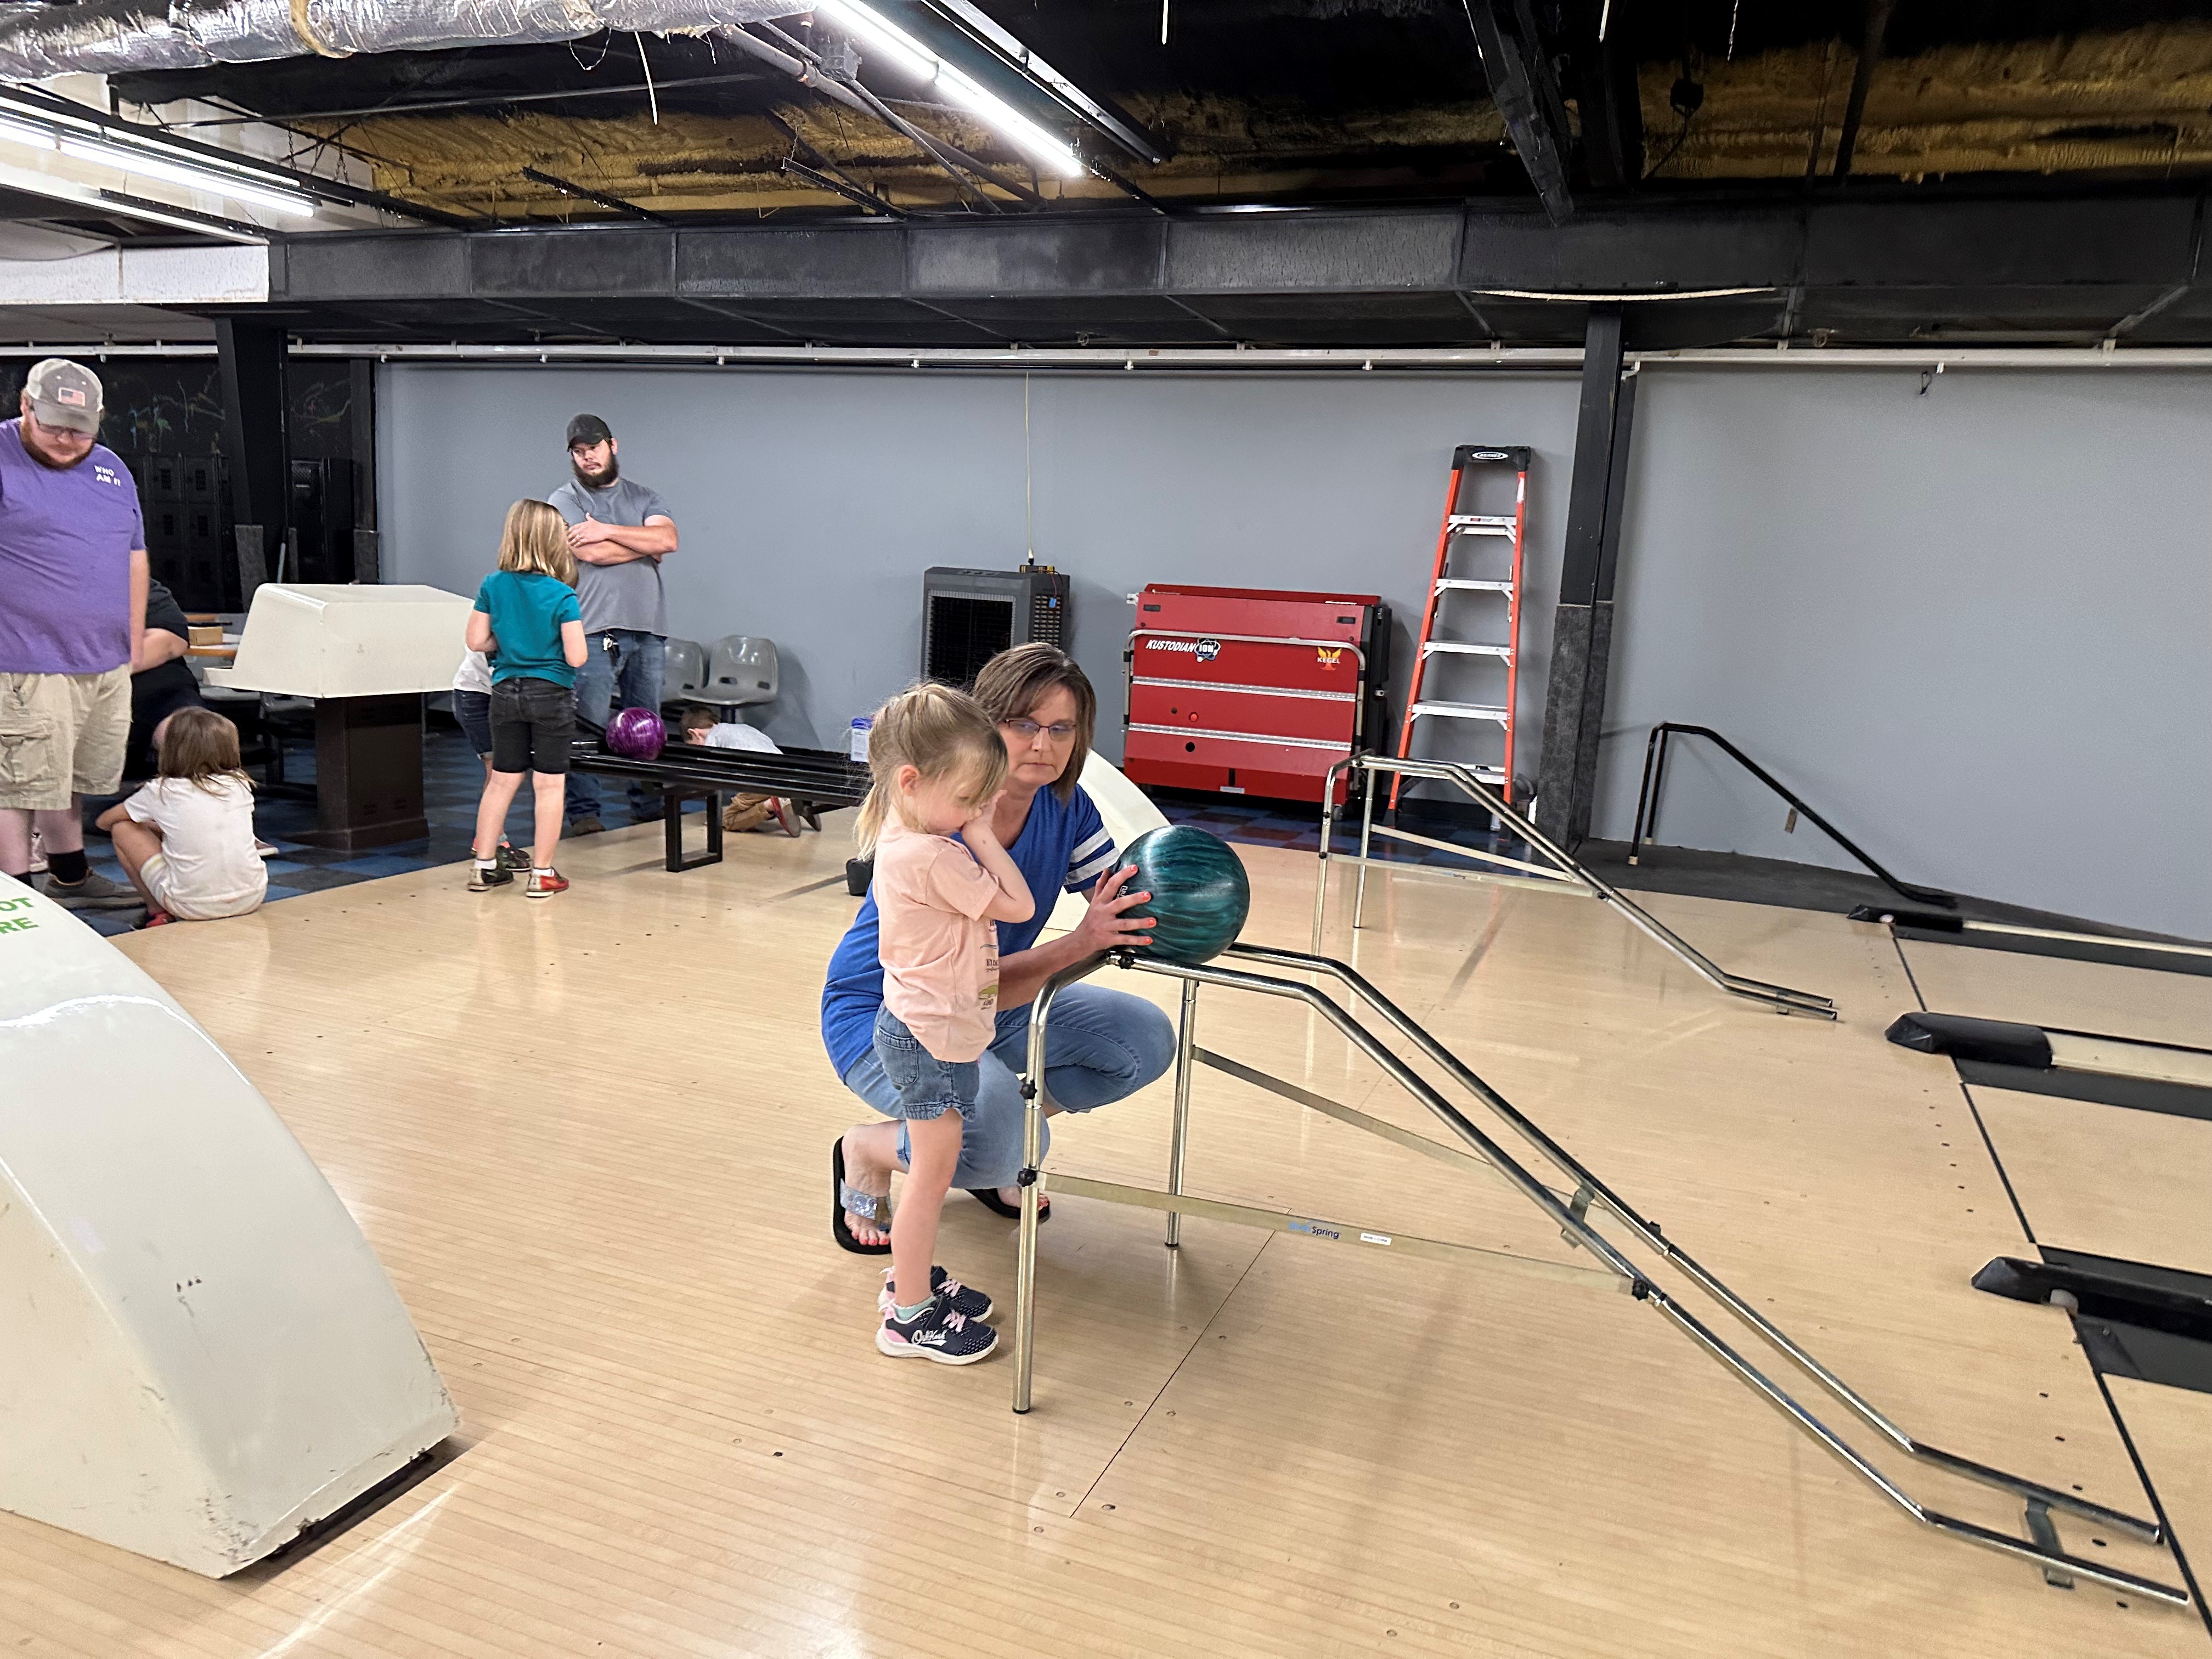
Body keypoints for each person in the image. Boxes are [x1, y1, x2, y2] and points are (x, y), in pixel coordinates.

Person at [823, 643, 1173, 1254]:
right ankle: (874, 1148)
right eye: (1024, 724)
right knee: (1004, 1145)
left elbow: (1120, 901)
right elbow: (967, 979)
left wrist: (1181, 910)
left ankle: (988, 1136)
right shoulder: (941, 829)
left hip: (985, 1001)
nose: (1044, 744)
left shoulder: (1067, 806)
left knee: (1142, 1040)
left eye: (1061, 729)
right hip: (896, 1017)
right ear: (984, 725)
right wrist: (1081, 942)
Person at [860, 684, 1036, 1363]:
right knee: (932, 1178)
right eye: (966, 798)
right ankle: (909, 1316)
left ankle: (910, 1277)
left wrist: (965, 818)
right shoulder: (933, 855)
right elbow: (1018, 906)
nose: (973, 812)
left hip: (929, 1031)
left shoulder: (910, 833)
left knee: (932, 1168)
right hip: (927, 1039)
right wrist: (982, 833)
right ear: (911, 781)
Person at [0, 358, 148, 910]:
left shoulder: (111, 469)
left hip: (102, 661)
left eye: (79, 429)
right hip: (21, 660)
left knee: (67, 777)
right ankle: (16, 902)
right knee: (15, 784)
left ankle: (70, 876)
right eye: (54, 426)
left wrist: (133, 640)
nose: (66, 440)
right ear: (26, 406)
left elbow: (134, 555)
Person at [549, 413, 678, 836]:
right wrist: (643, 544)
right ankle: (585, 812)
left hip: (647, 628)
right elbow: (592, 554)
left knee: (647, 724)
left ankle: (648, 805)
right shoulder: (564, 499)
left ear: (612, 446)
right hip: (591, 629)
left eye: (594, 448)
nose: (588, 457)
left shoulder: (646, 496)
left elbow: (669, 540)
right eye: (579, 452)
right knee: (587, 723)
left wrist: (604, 530)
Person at [466, 500, 587, 899]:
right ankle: (542, 874)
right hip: (550, 695)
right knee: (549, 785)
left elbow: (476, 640)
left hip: (505, 692)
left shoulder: (493, 584)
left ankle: (484, 867)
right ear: (553, 541)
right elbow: (577, 657)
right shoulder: (562, 594)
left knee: (502, 781)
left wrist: (512, 643)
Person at [95, 706, 266, 927]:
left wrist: (151, 824)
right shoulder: (240, 784)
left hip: (192, 905)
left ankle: (156, 912)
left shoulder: (162, 790)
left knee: (123, 828)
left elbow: (104, 822)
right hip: (253, 897)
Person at [450, 646, 534, 874]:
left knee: (507, 772)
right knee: (500, 771)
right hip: (477, 695)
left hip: (503, 694)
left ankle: (486, 840)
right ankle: (494, 842)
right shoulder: (492, 623)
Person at [674, 703, 795, 835]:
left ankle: (771, 804)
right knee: (747, 802)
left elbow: (712, 782)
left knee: (728, 819)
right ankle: (792, 802)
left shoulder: (712, 742)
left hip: (762, 779)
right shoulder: (742, 728)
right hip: (786, 774)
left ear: (694, 733)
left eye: (694, 747)